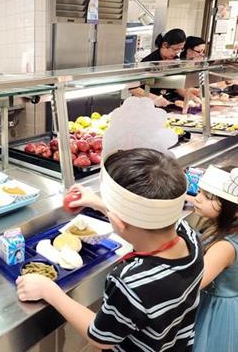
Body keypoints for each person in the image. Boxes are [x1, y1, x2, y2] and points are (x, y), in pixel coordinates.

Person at [17, 148, 204, 351]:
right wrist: (101, 205)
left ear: (117, 220)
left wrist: (50, 291)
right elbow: (147, 219)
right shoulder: (190, 237)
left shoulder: (131, 282)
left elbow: (101, 337)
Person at [190, 166, 238, 352]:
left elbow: (194, 283)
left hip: (215, 310)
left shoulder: (224, 247)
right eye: (199, 191)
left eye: (208, 196)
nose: (197, 198)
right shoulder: (226, 227)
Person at [131, 29, 201, 110]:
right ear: (164, 45)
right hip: (144, 107)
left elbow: (176, 85)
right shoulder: (149, 62)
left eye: (180, 49)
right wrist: (154, 98)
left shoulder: (175, 60)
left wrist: (190, 96)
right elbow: (133, 88)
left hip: (165, 105)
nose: (177, 52)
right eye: (175, 49)